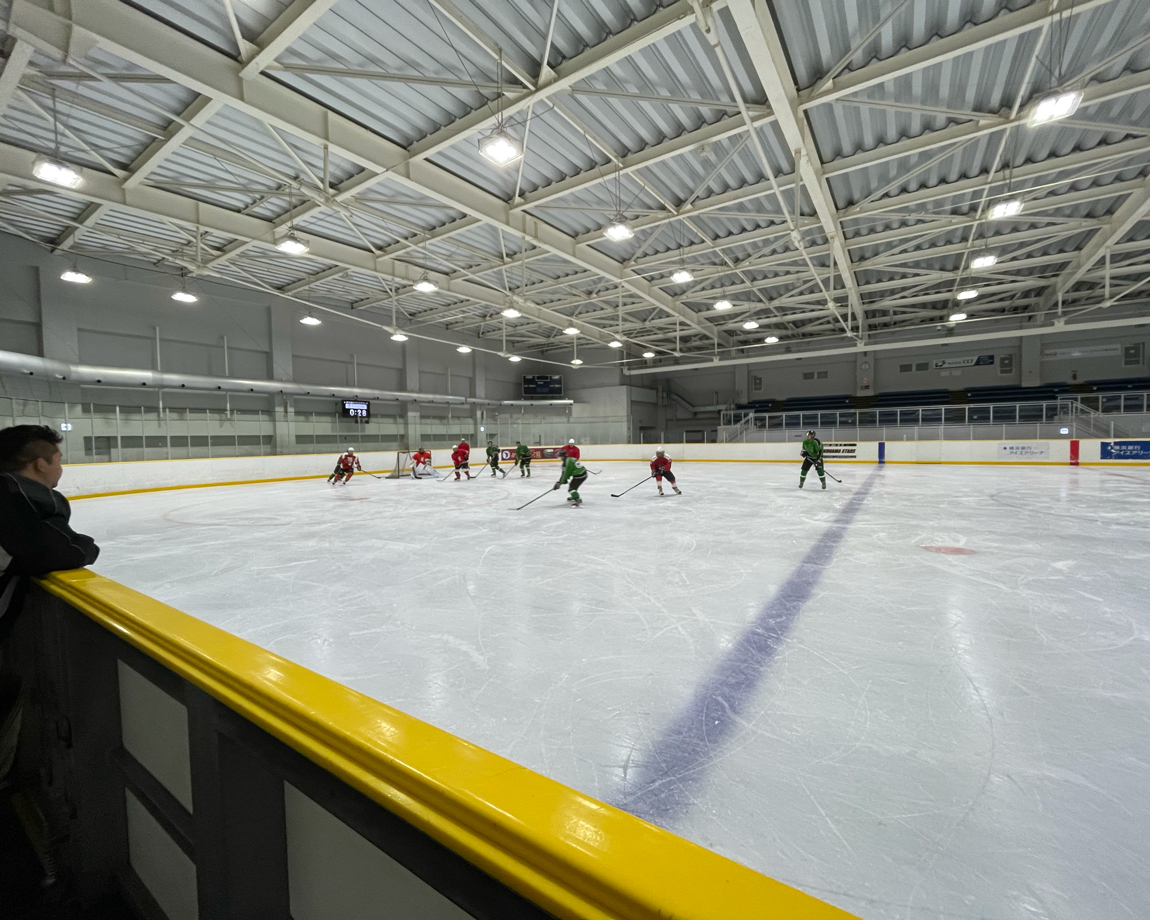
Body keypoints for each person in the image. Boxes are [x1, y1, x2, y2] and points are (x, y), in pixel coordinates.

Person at [0, 425, 100, 626]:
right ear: (40, 465)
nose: (60, 469)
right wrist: (87, 546)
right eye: (58, 460)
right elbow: (64, 551)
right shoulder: (17, 500)